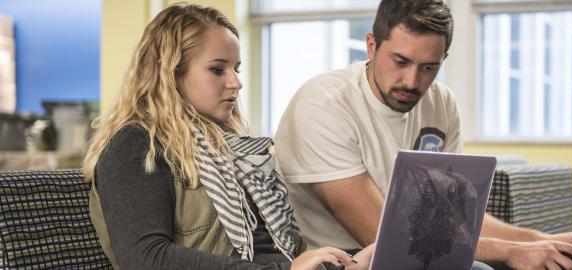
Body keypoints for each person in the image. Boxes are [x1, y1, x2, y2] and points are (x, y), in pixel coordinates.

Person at [274, 0, 572, 269]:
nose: (411, 81)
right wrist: (512, 252)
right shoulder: (322, 105)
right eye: (400, 61)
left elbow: (451, 220)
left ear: (443, 59)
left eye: (429, 67)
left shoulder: (441, 103)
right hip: (341, 259)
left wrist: (542, 240)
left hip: (409, 253)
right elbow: (383, 235)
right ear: (371, 45)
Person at [82, 4, 372, 270]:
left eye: (236, 68)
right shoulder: (137, 144)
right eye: (217, 69)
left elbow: (275, 252)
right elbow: (145, 257)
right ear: (170, 73)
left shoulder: (233, 152)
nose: (236, 82)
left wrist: (346, 259)